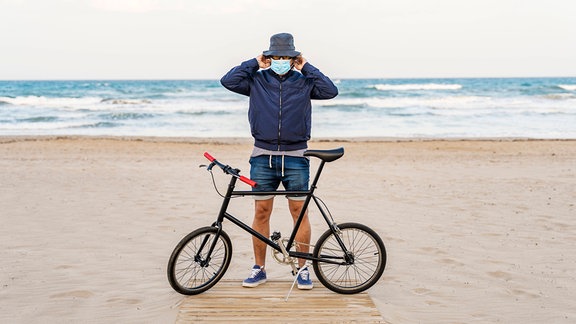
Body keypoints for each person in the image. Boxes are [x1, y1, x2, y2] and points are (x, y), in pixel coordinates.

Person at [220, 33, 338, 290]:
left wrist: (306, 67)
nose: (281, 60)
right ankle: (259, 268)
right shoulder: (256, 81)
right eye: (276, 56)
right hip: (262, 157)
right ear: (269, 57)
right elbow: (228, 81)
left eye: (286, 56)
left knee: (299, 212)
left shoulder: (305, 82)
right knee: (261, 212)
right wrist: (254, 62)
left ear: (294, 58)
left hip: (296, 157)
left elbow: (331, 91)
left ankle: (304, 268)